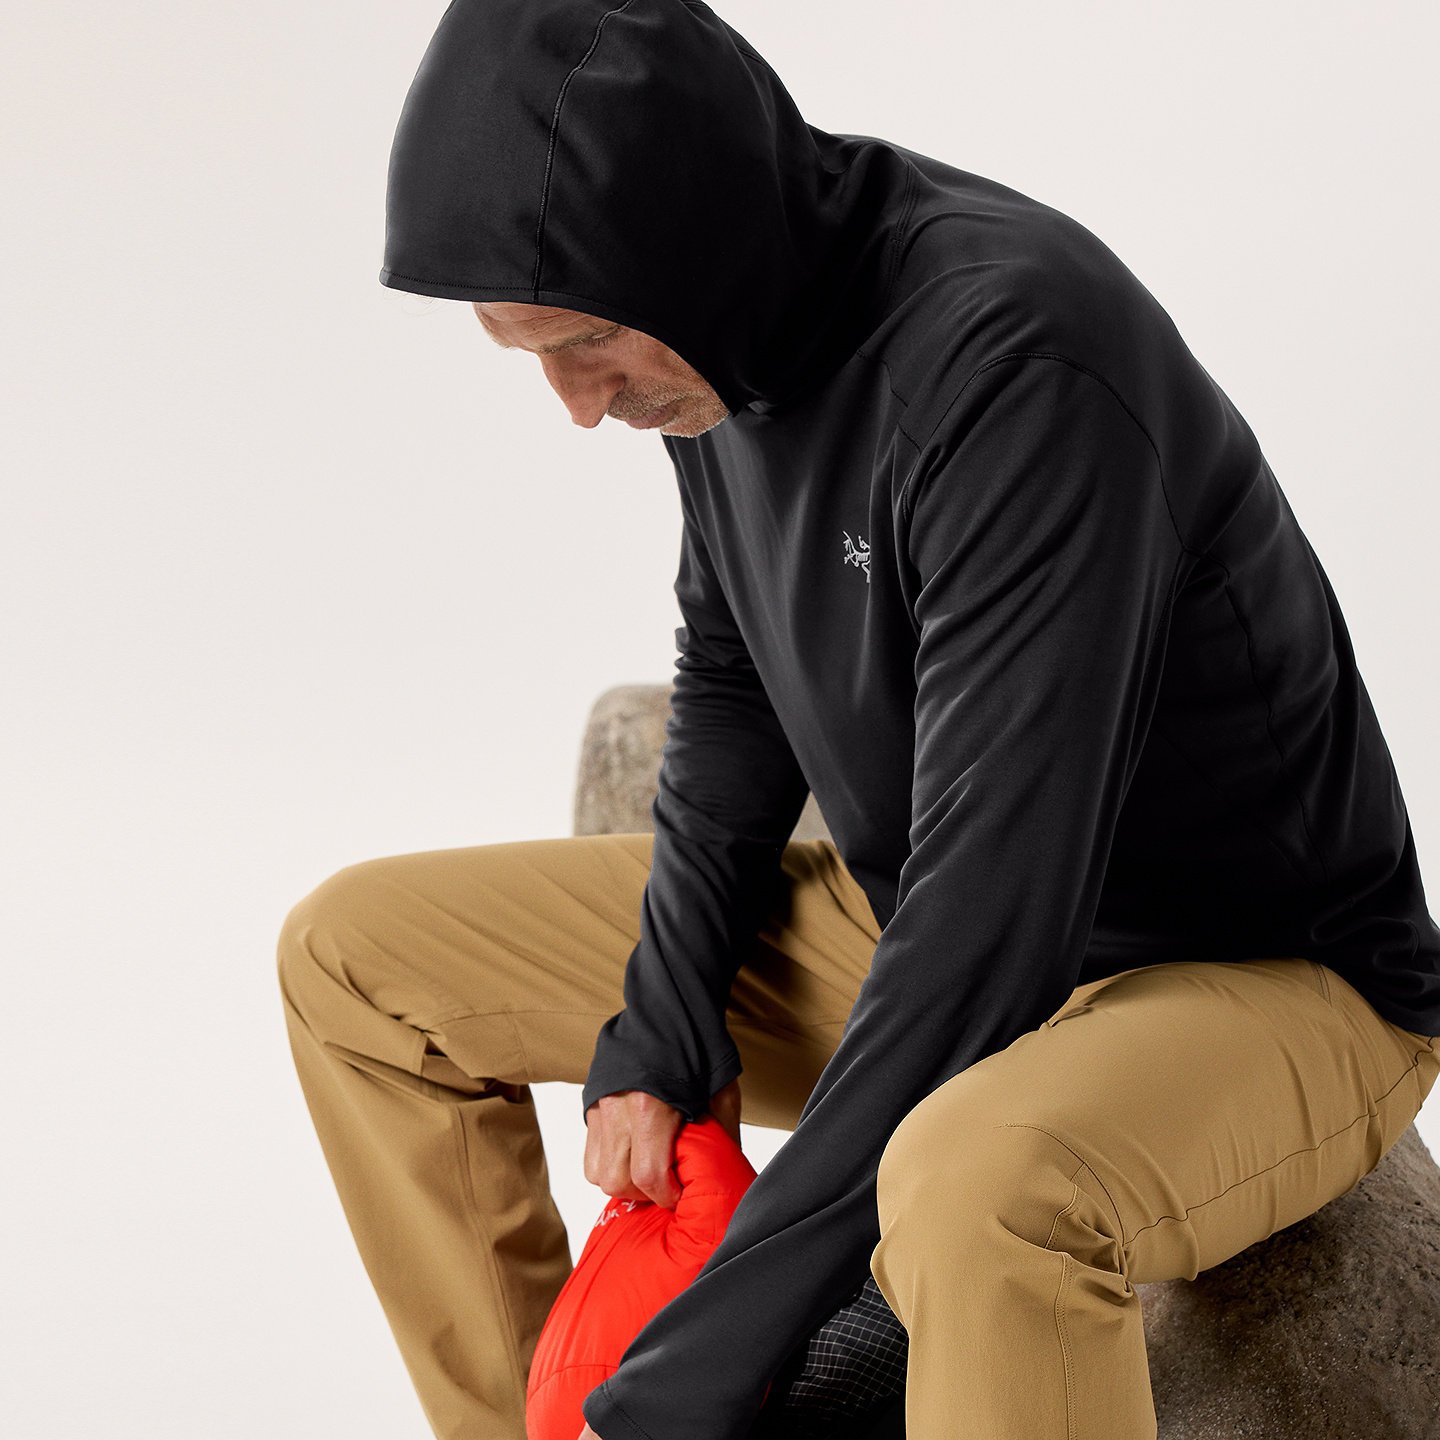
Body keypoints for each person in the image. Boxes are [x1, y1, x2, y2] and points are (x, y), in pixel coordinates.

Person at [275, 2, 1440, 1438]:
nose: (575, 406)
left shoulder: (1017, 364)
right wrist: (662, 1023)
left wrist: (704, 1359)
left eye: (585, 341)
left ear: (697, 243)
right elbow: (732, 677)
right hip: (916, 924)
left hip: (1255, 980)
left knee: (976, 1187)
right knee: (356, 961)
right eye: (530, 354)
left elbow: (990, 933)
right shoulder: (714, 353)